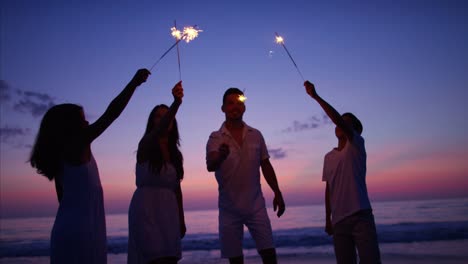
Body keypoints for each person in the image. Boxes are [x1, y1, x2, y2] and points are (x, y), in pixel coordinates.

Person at [29, 69, 151, 264]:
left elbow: (64, 200)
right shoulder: (76, 145)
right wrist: (133, 83)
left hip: (72, 228)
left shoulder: (68, 153)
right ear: (70, 127)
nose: (87, 122)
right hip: (81, 233)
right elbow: (111, 114)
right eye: (82, 119)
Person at [304, 81, 381, 264]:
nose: (340, 123)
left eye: (346, 122)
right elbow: (329, 189)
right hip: (339, 222)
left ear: (354, 130)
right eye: (341, 120)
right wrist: (328, 219)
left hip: (360, 216)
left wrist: (316, 96)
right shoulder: (328, 157)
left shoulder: (357, 145)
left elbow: (338, 119)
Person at [206, 88, 286, 264]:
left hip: (256, 205)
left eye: (239, 102)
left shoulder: (256, 135)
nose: (235, 106)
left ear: (244, 107)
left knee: (269, 254)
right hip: (228, 208)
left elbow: (265, 164)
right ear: (223, 108)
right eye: (230, 103)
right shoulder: (216, 137)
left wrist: (277, 192)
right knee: (235, 260)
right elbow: (210, 165)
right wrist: (219, 156)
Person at [127, 81, 186, 264]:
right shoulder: (145, 145)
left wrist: (181, 219)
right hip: (146, 211)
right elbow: (159, 131)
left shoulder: (175, 154)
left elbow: (177, 189)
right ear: (152, 123)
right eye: (158, 117)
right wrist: (176, 103)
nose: (164, 119)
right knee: (153, 259)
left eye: (166, 116)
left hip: (168, 213)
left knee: (169, 259)